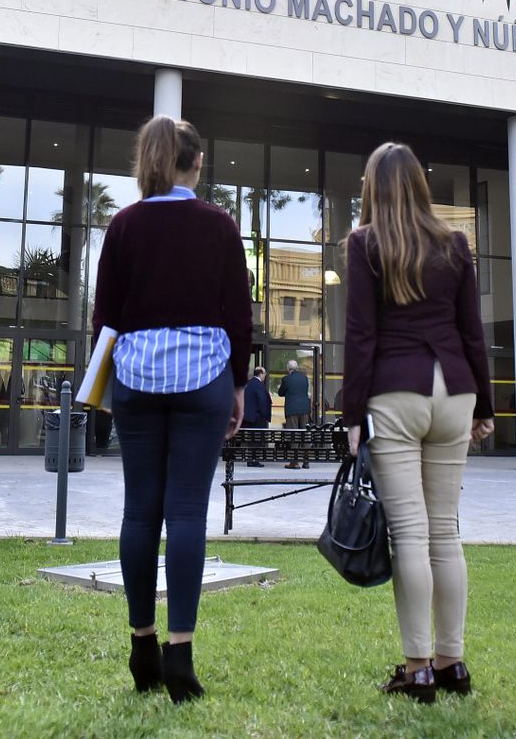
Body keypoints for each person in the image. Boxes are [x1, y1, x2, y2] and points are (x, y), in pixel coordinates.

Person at [90, 114, 252, 704]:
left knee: (140, 513)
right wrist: (237, 386)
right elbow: (239, 313)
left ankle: (141, 644)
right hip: (203, 376)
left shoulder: (124, 224)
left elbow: (104, 313)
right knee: (186, 513)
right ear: (197, 162)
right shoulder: (218, 224)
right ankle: (179, 655)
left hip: (135, 376)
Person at [342, 142, 496, 704]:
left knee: (409, 532)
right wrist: (485, 406)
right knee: (445, 531)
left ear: (371, 187)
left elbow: (360, 335)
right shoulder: (455, 243)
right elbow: (471, 330)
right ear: (421, 185)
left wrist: (351, 414)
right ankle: (453, 663)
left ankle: (418, 669)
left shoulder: (364, 243)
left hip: (396, 390)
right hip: (454, 390)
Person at [278, 359, 312, 467]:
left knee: (293, 435)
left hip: (292, 409)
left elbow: (280, 393)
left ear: (288, 369)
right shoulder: (305, 378)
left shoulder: (286, 379)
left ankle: (294, 462)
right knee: (305, 435)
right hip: (304, 409)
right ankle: (306, 462)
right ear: (296, 368)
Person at [242, 366, 272, 465]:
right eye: (265, 374)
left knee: (251, 439)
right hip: (257, 417)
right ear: (261, 374)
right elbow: (262, 402)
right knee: (257, 439)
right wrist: (265, 415)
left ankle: (251, 459)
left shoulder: (249, 384)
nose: (265, 376)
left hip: (248, 416)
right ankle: (254, 460)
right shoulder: (259, 385)